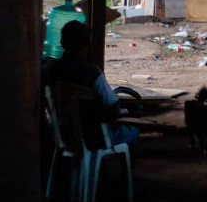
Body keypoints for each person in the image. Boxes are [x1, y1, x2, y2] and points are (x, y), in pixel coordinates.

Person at [44, 20, 139, 154]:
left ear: (62, 43)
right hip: (94, 138)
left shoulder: (52, 69)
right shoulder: (92, 73)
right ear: (88, 44)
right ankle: (120, 174)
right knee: (133, 132)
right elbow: (113, 111)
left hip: (62, 136)